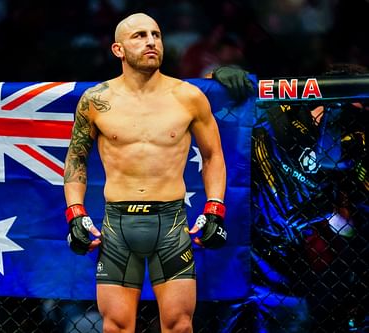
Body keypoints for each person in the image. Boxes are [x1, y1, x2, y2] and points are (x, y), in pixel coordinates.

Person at [63, 13, 254, 333]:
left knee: (179, 325)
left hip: (171, 222)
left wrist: (215, 208)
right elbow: (76, 159)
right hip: (118, 225)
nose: (151, 41)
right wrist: (75, 212)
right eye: (139, 35)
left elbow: (213, 156)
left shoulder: (188, 97)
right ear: (118, 49)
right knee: (116, 326)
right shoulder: (96, 100)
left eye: (156, 34)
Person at [223, 63, 368, 332]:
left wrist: (325, 210)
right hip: (234, 235)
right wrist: (222, 78)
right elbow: (207, 102)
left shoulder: (354, 144)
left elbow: (346, 227)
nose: (356, 119)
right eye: (354, 107)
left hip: (282, 252)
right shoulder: (277, 111)